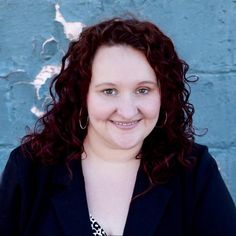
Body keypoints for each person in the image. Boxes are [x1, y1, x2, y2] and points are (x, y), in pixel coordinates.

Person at [0, 17, 236, 236]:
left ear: (163, 95)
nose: (127, 110)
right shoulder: (30, 170)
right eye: (109, 91)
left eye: (143, 90)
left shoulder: (193, 171)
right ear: (82, 96)